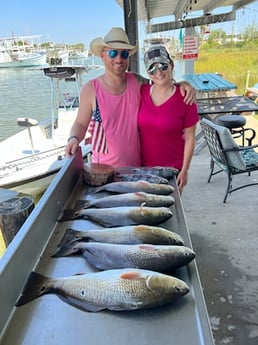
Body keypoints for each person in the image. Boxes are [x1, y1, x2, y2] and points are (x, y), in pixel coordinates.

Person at [65, 27, 196, 167]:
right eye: (113, 53)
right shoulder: (90, 89)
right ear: (102, 56)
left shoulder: (137, 81)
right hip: (104, 171)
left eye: (124, 54)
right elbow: (80, 123)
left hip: (138, 170)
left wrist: (183, 84)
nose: (119, 59)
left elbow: (161, 81)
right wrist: (73, 139)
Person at [138, 45, 199, 193]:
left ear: (171, 65)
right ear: (147, 72)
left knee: (171, 212)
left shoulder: (186, 97)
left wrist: (185, 170)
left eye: (163, 66)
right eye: (152, 68)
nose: (158, 72)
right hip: (144, 170)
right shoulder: (142, 91)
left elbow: (190, 138)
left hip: (173, 171)